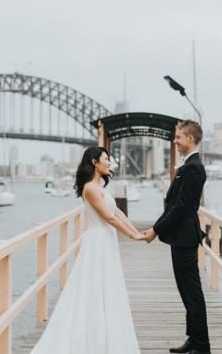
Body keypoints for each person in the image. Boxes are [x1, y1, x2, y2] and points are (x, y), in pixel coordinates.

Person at [31, 146, 142, 354]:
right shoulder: (90, 189)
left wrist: (137, 231)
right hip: (98, 240)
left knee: (107, 285)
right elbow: (108, 218)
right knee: (94, 287)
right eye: (106, 158)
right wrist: (132, 235)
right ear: (94, 162)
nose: (109, 162)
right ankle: (95, 338)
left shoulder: (100, 187)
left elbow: (116, 211)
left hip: (106, 239)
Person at [142, 120, 210, 354]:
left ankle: (201, 346)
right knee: (186, 292)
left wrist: (155, 230)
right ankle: (194, 339)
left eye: (179, 137)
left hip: (185, 238)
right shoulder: (188, 166)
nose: (175, 141)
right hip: (180, 238)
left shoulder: (193, 167)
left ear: (190, 139)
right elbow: (176, 204)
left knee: (192, 293)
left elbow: (180, 206)